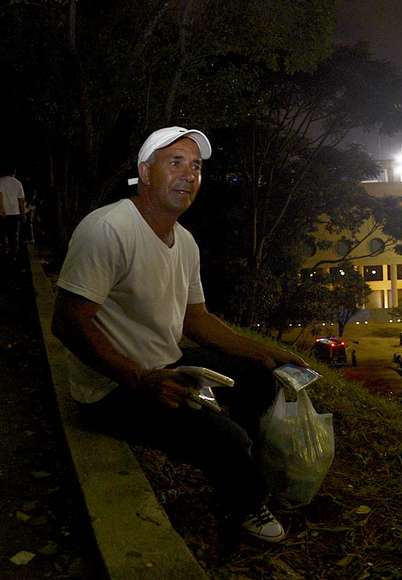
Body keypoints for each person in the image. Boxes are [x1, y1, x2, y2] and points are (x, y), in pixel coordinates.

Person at [51, 126, 307, 544]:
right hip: (111, 389)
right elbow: (67, 321)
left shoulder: (185, 241)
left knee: (259, 377)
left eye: (196, 167)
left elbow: (197, 319)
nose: (189, 175)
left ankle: (244, 464)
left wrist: (265, 351)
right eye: (175, 163)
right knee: (225, 439)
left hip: (165, 368)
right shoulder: (108, 229)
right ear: (145, 172)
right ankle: (241, 505)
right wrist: (137, 379)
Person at [0, 167, 26, 259]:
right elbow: (21, 200)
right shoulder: (18, 183)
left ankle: (5, 252)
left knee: (3, 233)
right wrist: (23, 214)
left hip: (3, 213)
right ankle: (13, 254)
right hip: (15, 212)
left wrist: (1, 208)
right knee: (14, 234)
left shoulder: (1, 181)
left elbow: (0, 195)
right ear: (14, 173)